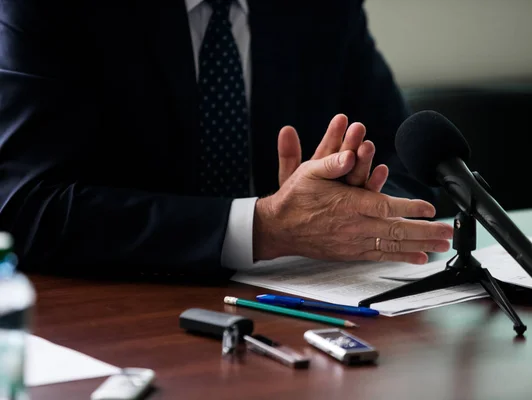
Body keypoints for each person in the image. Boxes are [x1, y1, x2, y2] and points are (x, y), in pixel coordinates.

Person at [0, 0, 453, 279]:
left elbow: (406, 159)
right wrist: (263, 226)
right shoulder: (50, 6)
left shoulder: (323, 8)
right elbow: (25, 206)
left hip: (297, 309)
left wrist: (353, 206)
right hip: (111, 314)